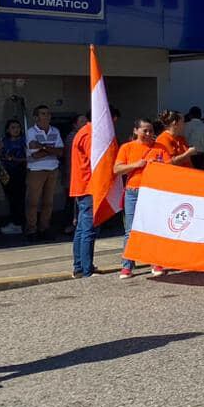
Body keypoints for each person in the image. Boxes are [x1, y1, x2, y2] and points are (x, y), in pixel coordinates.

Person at [113, 119, 168, 278]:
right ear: (136, 131)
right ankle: (127, 266)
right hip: (133, 191)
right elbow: (117, 169)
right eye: (145, 130)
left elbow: (169, 169)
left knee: (153, 228)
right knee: (130, 230)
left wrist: (156, 166)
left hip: (153, 192)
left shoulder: (160, 148)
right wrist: (137, 165)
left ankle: (156, 262)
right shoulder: (127, 147)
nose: (149, 134)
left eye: (151, 130)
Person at [69, 106, 119, 278]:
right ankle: (86, 269)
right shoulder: (91, 135)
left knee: (82, 229)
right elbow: (97, 160)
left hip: (83, 185)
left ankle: (79, 267)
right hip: (90, 186)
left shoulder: (84, 132)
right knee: (88, 229)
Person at [24, 104, 63, 241]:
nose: (46, 116)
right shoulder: (31, 132)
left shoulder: (55, 131)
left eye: (48, 113)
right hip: (36, 169)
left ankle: (44, 227)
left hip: (52, 169)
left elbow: (60, 151)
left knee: (48, 202)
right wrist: (50, 149)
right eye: (43, 113)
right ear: (36, 117)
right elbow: (35, 155)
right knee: (33, 202)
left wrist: (42, 147)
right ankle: (31, 229)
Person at [0, 118, 27, 235]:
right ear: (7, 130)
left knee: (19, 199)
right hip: (6, 173)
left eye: (18, 127)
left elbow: (29, 157)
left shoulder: (24, 141)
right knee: (10, 198)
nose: (16, 130)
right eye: (13, 128)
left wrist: (15, 159)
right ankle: (15, 221)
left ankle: (18, 223)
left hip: (20, 172)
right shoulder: (3, 141)